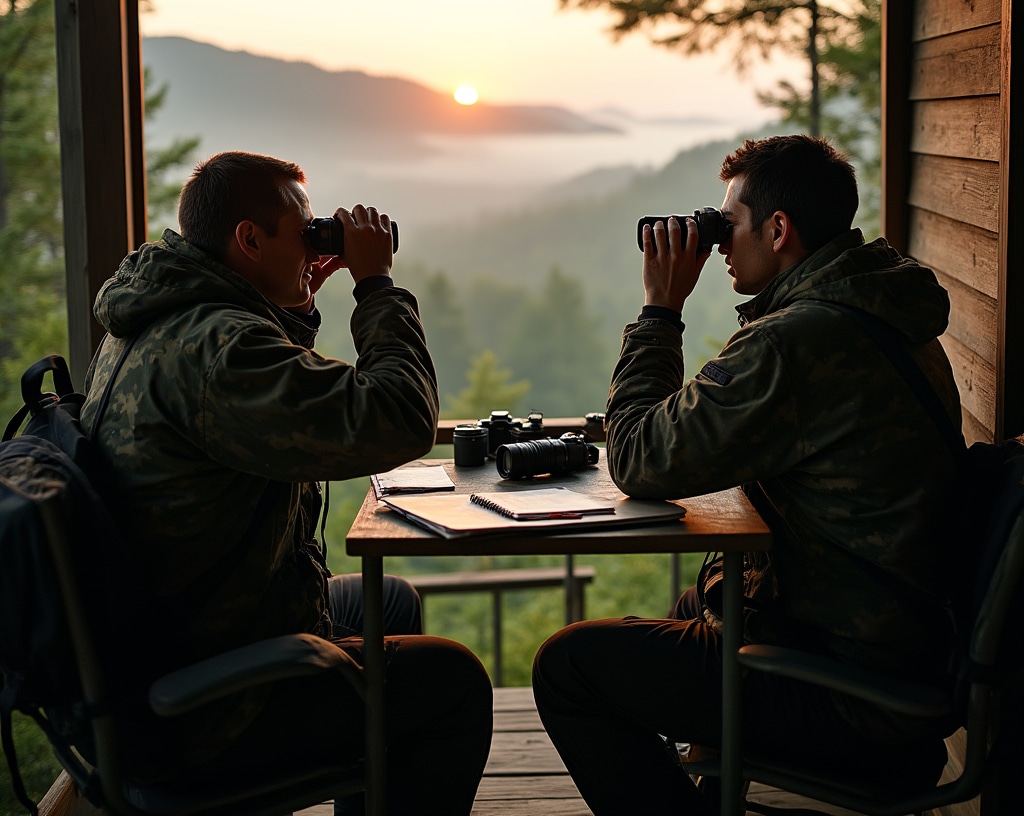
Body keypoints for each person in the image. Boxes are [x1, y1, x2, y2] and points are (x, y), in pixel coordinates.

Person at [532, 134, 961, 814]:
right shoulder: (879, 313)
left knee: (571, 664)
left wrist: (659, 310)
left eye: (726, 225)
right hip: (894, 657)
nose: (718, 244)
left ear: (779, 229)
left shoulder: (800, 340)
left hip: (851, 697)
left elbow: (641, 458)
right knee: (682, 613)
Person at [81, 150, 492, 816]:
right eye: (305, 231)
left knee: (388, 604)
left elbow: (266, 410)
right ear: (249, 239)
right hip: (208, 711)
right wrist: (376, 286)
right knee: (452, 682)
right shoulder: (220, 350)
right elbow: (399, 420)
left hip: (165, 648)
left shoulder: (161, 321)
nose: (315, 242)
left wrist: (294, 301)